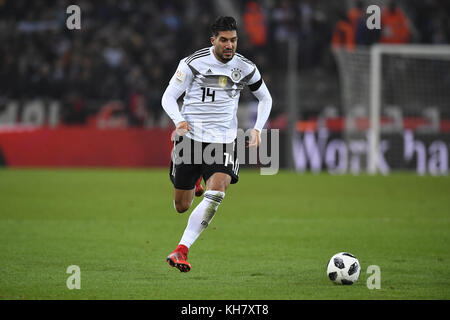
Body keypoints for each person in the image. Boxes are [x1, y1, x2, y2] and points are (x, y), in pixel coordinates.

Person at [161, 16, 272, 272]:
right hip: (190, 140)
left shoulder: (245, 67)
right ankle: (195, 181)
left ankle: (181, 250)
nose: (229, 45)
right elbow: (169, 97)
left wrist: (257, 129)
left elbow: (265, 98)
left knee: (218, 191)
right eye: (224, 40)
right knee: (182, 206)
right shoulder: (192, 63)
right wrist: (179, 121)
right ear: (214, 40)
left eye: (233, 40)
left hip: (223, 141)